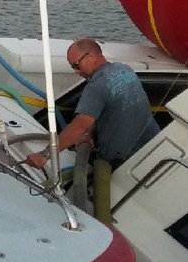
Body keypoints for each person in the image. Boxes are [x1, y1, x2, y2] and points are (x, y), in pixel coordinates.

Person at [26, 39, 159, 171]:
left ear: (90, 56)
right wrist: (89, 134)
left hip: (124, 162)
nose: (76, 72)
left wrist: (45, 155)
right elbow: (107, 111)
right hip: (156, 145)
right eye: (73, 67)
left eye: (77, 65)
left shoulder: (96, 87)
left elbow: (79, 127)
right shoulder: (124, 69)